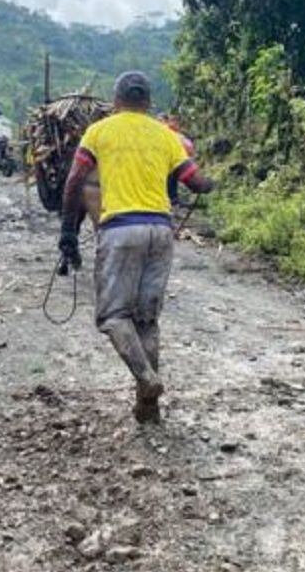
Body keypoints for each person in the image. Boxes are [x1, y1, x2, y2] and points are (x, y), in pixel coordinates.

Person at [59, 72, 215, 424]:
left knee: (114, 316)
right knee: (146, 319)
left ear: (116, 100)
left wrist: (68, 230)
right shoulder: (167, 135)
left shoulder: (99, 132)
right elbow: (196, 181)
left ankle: (147, 379)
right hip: (160, 232)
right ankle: (148, 407)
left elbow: (74, 182)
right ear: (148, 102)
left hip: (120, 231)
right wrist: (210, 184)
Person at [160, 112, 196, 207]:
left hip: (172, 161)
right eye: (172, 121)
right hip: (166, 160)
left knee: (171, 179)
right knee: (169, 179)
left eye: (176, 121)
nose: (175, 124)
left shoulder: (176, 134)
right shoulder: (166, 132)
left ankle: (172, 199)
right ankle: (171, 199)